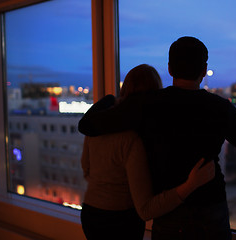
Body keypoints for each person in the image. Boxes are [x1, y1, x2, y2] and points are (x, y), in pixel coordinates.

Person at [79, 37, 236, 240]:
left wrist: (108, 99)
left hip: (169, 211)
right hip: (210, 206)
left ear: (169, 69)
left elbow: (87, 125)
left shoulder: (147, 104)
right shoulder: (220, 108)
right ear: (204, 71)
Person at [80, 64, 215, 240]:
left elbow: (86, 168)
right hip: (120, 221)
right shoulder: (132, 139)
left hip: (90, 213)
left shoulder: (96, 126)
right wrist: (190, 185)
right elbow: (145, 210)